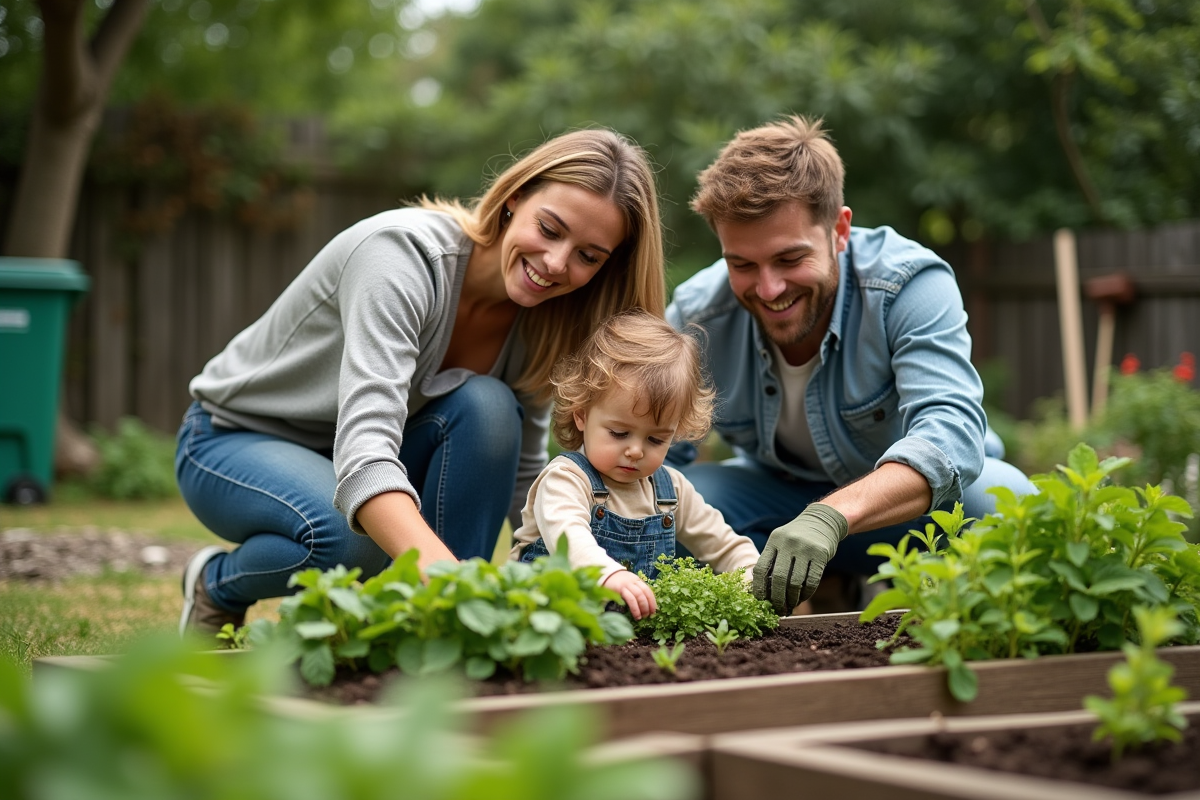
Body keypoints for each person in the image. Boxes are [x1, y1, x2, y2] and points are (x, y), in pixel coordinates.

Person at [177, 129, 666, 635]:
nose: (557, 263)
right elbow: (364, 455)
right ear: (514, 198)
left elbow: (525, 476)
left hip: (358, 455)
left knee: (490, 407)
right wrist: (453, 578)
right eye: (549, 228)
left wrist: (581, 569)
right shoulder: (400, 257)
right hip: (233, 439)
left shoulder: (550, 317)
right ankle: (216, 585)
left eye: (589, 256)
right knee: (356, 542)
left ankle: (439, 635)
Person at [666, 115, 1034, 616]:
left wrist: (831, 515)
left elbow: (950, 434)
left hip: (905, 511)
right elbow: (656, 451)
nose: (769, 289)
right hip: (778, 502)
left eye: (790, 259)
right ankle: (812, 595)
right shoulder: (699, 315)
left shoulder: (908, 284)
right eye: (743, 265)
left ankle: (860, 582)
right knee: (671, 510)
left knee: (1009, 506)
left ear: (839, 230)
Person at [510, 309, 760, 620]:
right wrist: (606, 574)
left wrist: (753, 576)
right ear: (582, 415)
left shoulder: (670, 490)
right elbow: (567, 536)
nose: (635, 450)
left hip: (625, 636)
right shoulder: (566, 479)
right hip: (546, 620)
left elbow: (723, 545)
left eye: (656, 440)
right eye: (619, 433)